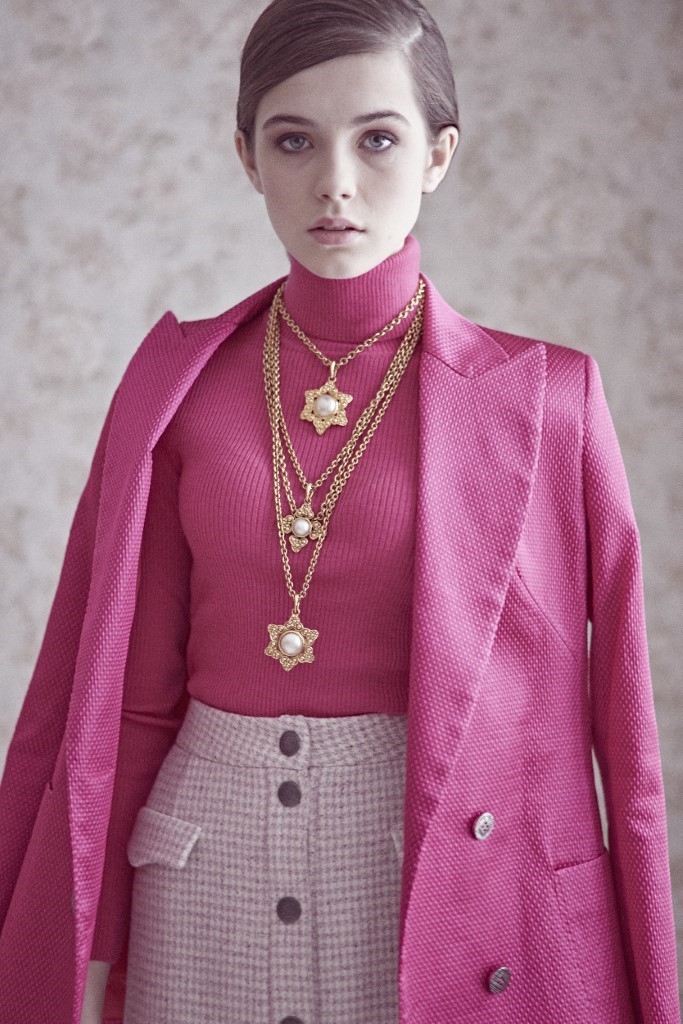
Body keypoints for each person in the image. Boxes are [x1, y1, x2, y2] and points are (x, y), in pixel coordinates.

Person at [0, 0, 679, 1022]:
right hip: (198, 883)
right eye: (292, 141)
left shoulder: (549, 401)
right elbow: (126, 701)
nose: (335, 182)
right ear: (246, 156)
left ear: (438, 154)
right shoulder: (176, 384)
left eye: (377, 139)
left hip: (436, 884)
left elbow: (619, 741)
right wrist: (83, 961)